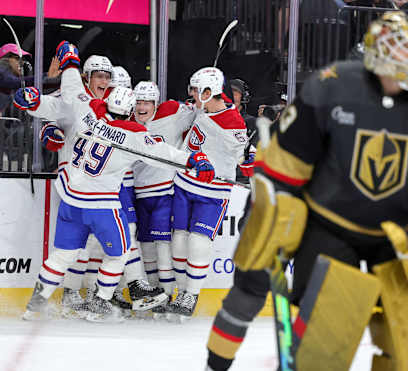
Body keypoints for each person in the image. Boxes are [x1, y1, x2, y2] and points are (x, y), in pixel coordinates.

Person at [206, 11, 408, 370]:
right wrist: (263, 210)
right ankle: (216, 363)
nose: (407, 64)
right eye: (399, 53)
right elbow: (286, 164)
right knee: (325, 337)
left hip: (398, 232)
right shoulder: (331, 86)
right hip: (329, 224)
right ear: (376, 55)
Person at [18, 41, 215, 322]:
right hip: (101, 205)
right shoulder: (133, 136)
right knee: (121, 254)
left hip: (71, 200)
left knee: (61, 256)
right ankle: (100, 301)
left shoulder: (86, 113)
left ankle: (34, 306)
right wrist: (194, 160)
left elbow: (72, 88)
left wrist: (68, 61)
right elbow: (162, 153)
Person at [168, 66, 252, 321]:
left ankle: (191, 295)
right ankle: (181, 293)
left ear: (209, 91)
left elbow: (242, 156)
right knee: (179, 241)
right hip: (185, 184)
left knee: (198, 242)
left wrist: (249, 160)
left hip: (213, 192)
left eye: (196, 90)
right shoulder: (201, 109)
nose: (191, 94)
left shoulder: (233, 122)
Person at [131, 80, 196, 318]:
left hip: (165, 192)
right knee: (147, 248)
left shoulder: (173, 114)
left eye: (147, 102)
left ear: (155, 103)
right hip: (140, 193)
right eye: (138, 101)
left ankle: (169, 297)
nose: (142, 106)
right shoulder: (128, 124)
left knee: (163, 248)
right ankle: (154, 299)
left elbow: (200, 110)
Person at [0, 43, 60, 112]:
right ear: (6, 59)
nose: (22, 62)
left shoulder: (11, 87)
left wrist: (50, 79)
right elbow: (15, 82)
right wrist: (45, 76)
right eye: (17, 58)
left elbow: (32, 90)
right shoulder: (2, 71)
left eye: (23, 59)